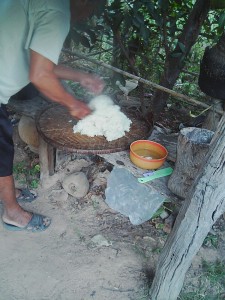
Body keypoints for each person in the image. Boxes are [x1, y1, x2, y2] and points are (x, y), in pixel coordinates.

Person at [0, 0, 105, 232]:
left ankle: (7, 192)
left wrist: (79, 76)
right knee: (1, 153)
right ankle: (12, 213)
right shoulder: (56, 10)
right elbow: (40, 75)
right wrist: (74, 104)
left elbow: (37, 61)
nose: (87, 15)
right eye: (92, 8)